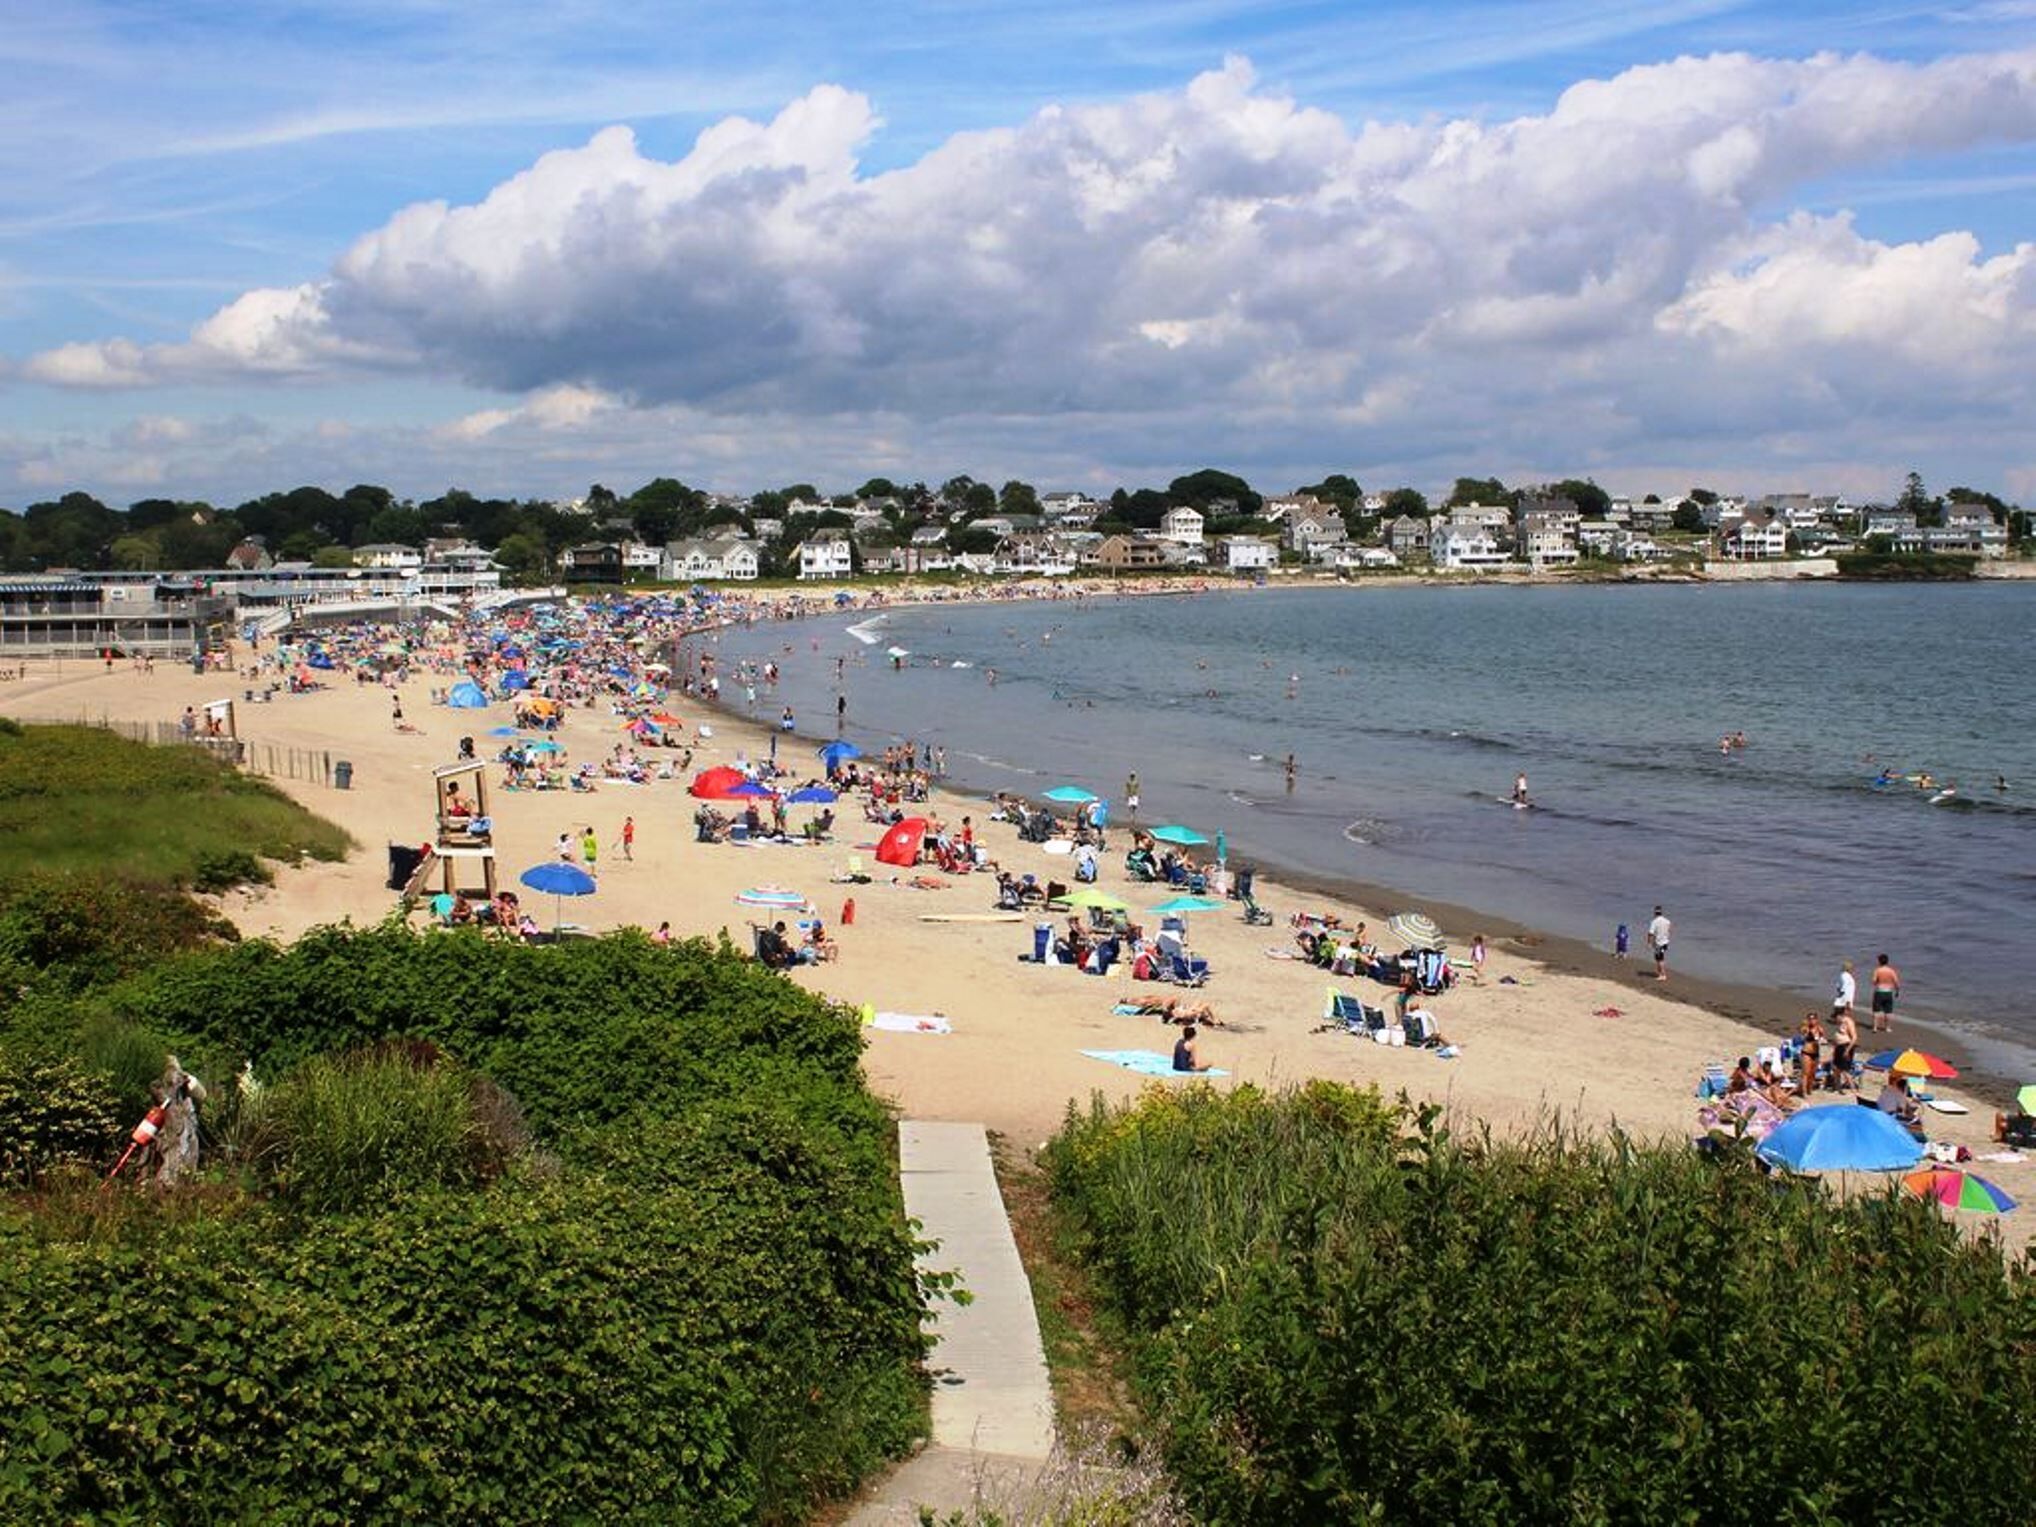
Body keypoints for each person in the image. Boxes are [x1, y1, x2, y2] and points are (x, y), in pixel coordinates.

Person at [1830, 1001, 1858, 1093]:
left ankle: (1853, 1090)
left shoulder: (1848, 1022)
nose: (1835, 1019)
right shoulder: (1840, 1022)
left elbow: (1854, 1037)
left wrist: (1847, 1050)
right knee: (1836, 1068)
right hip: (1839, 1046)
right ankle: (1838, 1088)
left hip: (1846, 1046)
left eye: (1836, 1017)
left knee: (1845, 1070)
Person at [1869, 953, 1901, 1032]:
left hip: (1879, 991)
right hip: (1888, 992)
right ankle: (1887, 1027)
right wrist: (1897, 991)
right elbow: (1896, 982)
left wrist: (1877, 982)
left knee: (1876, 1010)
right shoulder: (1891, 971)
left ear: (1879, 961)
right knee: (1888, 1011)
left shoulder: (1878, 970)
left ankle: (1875, 1027)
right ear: (1887, 961)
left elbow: (1873, 981)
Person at [1797, 1010, 1825, 1097]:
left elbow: (1822, 1038)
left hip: (1816, 1053)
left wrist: (1821, 1040)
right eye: (1810, 1019)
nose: (1812, 1021)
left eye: (1813, 1019)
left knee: (1813, 1073)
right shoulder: (1806, 1028)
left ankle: (1809, 1089)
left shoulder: (1819, 1029)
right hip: (1807, 1053)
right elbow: (1800, 1031)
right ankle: (1804, 1092)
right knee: (1806, 1072)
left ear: (1817, 1020)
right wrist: (1804, 1024)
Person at [1647, 905, 1671, 981]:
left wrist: (1649, 943)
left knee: (1659, 959)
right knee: (1660, 957)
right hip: (1665, 943)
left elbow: (1650, 933)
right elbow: (1669, 930)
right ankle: (1660, 973)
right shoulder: (1667, 921)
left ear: (1655, 913)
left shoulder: (1654, 922)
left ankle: (1663, 975)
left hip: (1659, 944)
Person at [1832, 959, 1857, 1025]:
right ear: (1848, 968)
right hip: (1846, 995)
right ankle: (1842, 1022)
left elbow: (1838, 985)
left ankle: (1840, 1021)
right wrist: (1842, 993)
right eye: (1851, 968)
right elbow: (1845, 986)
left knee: (1841, 1009)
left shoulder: (1843, 975)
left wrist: (1840, 991)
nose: (1852, 969)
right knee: (1845, 1009)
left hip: (1844, 994)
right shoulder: (1846, 976)